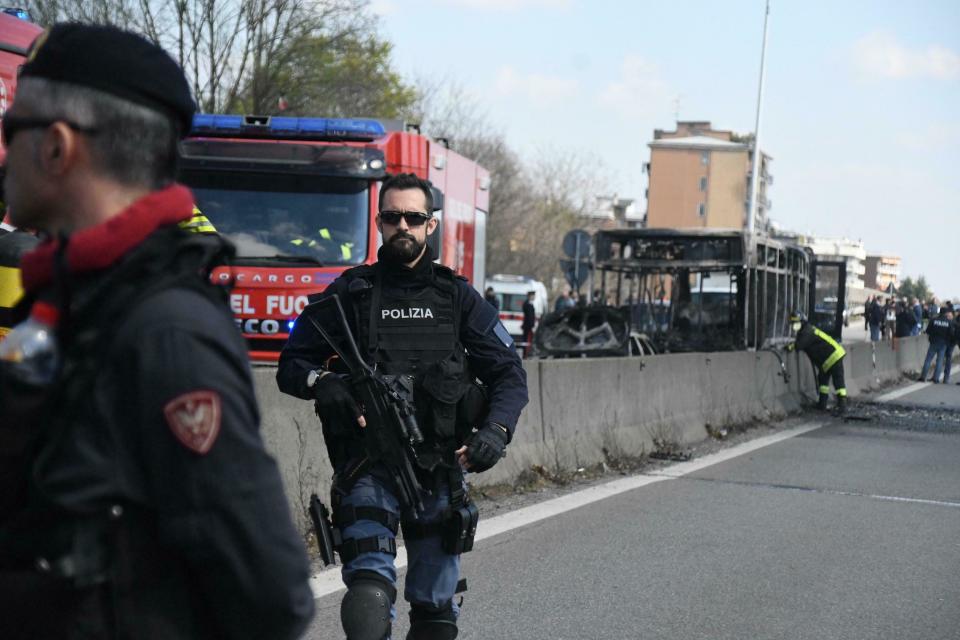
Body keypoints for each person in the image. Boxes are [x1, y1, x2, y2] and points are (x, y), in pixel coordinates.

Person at [0, 24, 314, 638]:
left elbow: (270, 594)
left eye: (13, 133)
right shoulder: (70, 302)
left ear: (59, 147)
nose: (4, 157)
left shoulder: (164, 332)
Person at [277, 172, 528, 640]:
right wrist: (322, 381)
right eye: (393, 217)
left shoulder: (457, 298)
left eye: (414, 217)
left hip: (438, 471)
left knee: (435, 614)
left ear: (430, 224)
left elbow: (509, 374)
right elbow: (291, 364)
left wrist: (496, 431)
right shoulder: (349, 293)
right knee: (369, 597)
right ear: (379, 223)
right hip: (367, 466)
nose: (403, 226)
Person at [786, 311, 848, 413]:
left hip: (834, 355)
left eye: (795, 323)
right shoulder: (805, 330)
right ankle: (822, 403)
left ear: (802, 322)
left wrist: (791, 346)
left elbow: (800, 345)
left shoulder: (807, 331)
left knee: (838, 380)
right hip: (827, 360)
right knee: (823, 380)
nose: (794, 326)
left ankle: (842, 404)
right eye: (793, 323)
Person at [919, 308, 952, 383]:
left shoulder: (933, 320)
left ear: (939, 312)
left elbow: (927, 331)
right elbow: (950, 334)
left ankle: (923, 377)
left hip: (933, 342)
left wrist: (931, 338)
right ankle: (936, 378)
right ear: (946, 313)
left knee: (928, 360)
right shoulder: (949, 322)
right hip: (943, 344)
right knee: (939, 361)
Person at [521, 290, 537, 358]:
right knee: (527, 340)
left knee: (528, 340)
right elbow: (530, 316)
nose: (534, 297)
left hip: (529, 325)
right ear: (530, 296)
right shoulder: (528, 304)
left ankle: (527, 353)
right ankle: (526, 354)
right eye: (533, 296)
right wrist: (532, 325)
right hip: (528, 326)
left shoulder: (529, 303)